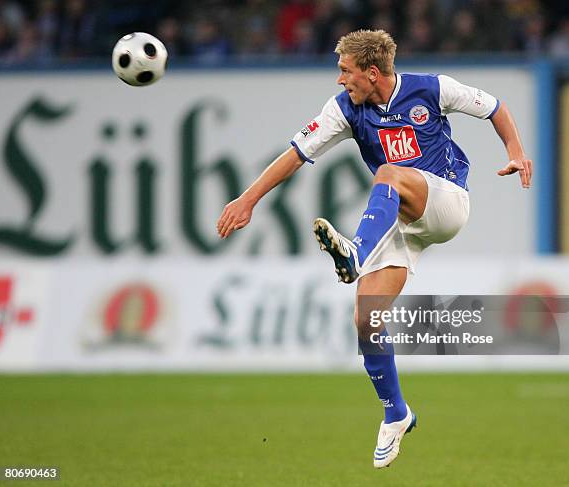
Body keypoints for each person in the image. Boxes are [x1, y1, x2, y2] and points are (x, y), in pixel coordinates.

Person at [216, 29, 532, 468]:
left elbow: (494, 107)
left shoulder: (432, 88)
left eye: (345, 71)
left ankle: (355, 253)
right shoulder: (344, 109)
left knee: (388, 170)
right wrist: (248, 199)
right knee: (367, 319)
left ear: (372, 72)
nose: (340, 80)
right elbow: (295, 152)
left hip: (444, 202)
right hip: (398, 222)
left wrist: (516, 151)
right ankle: (396, 413)